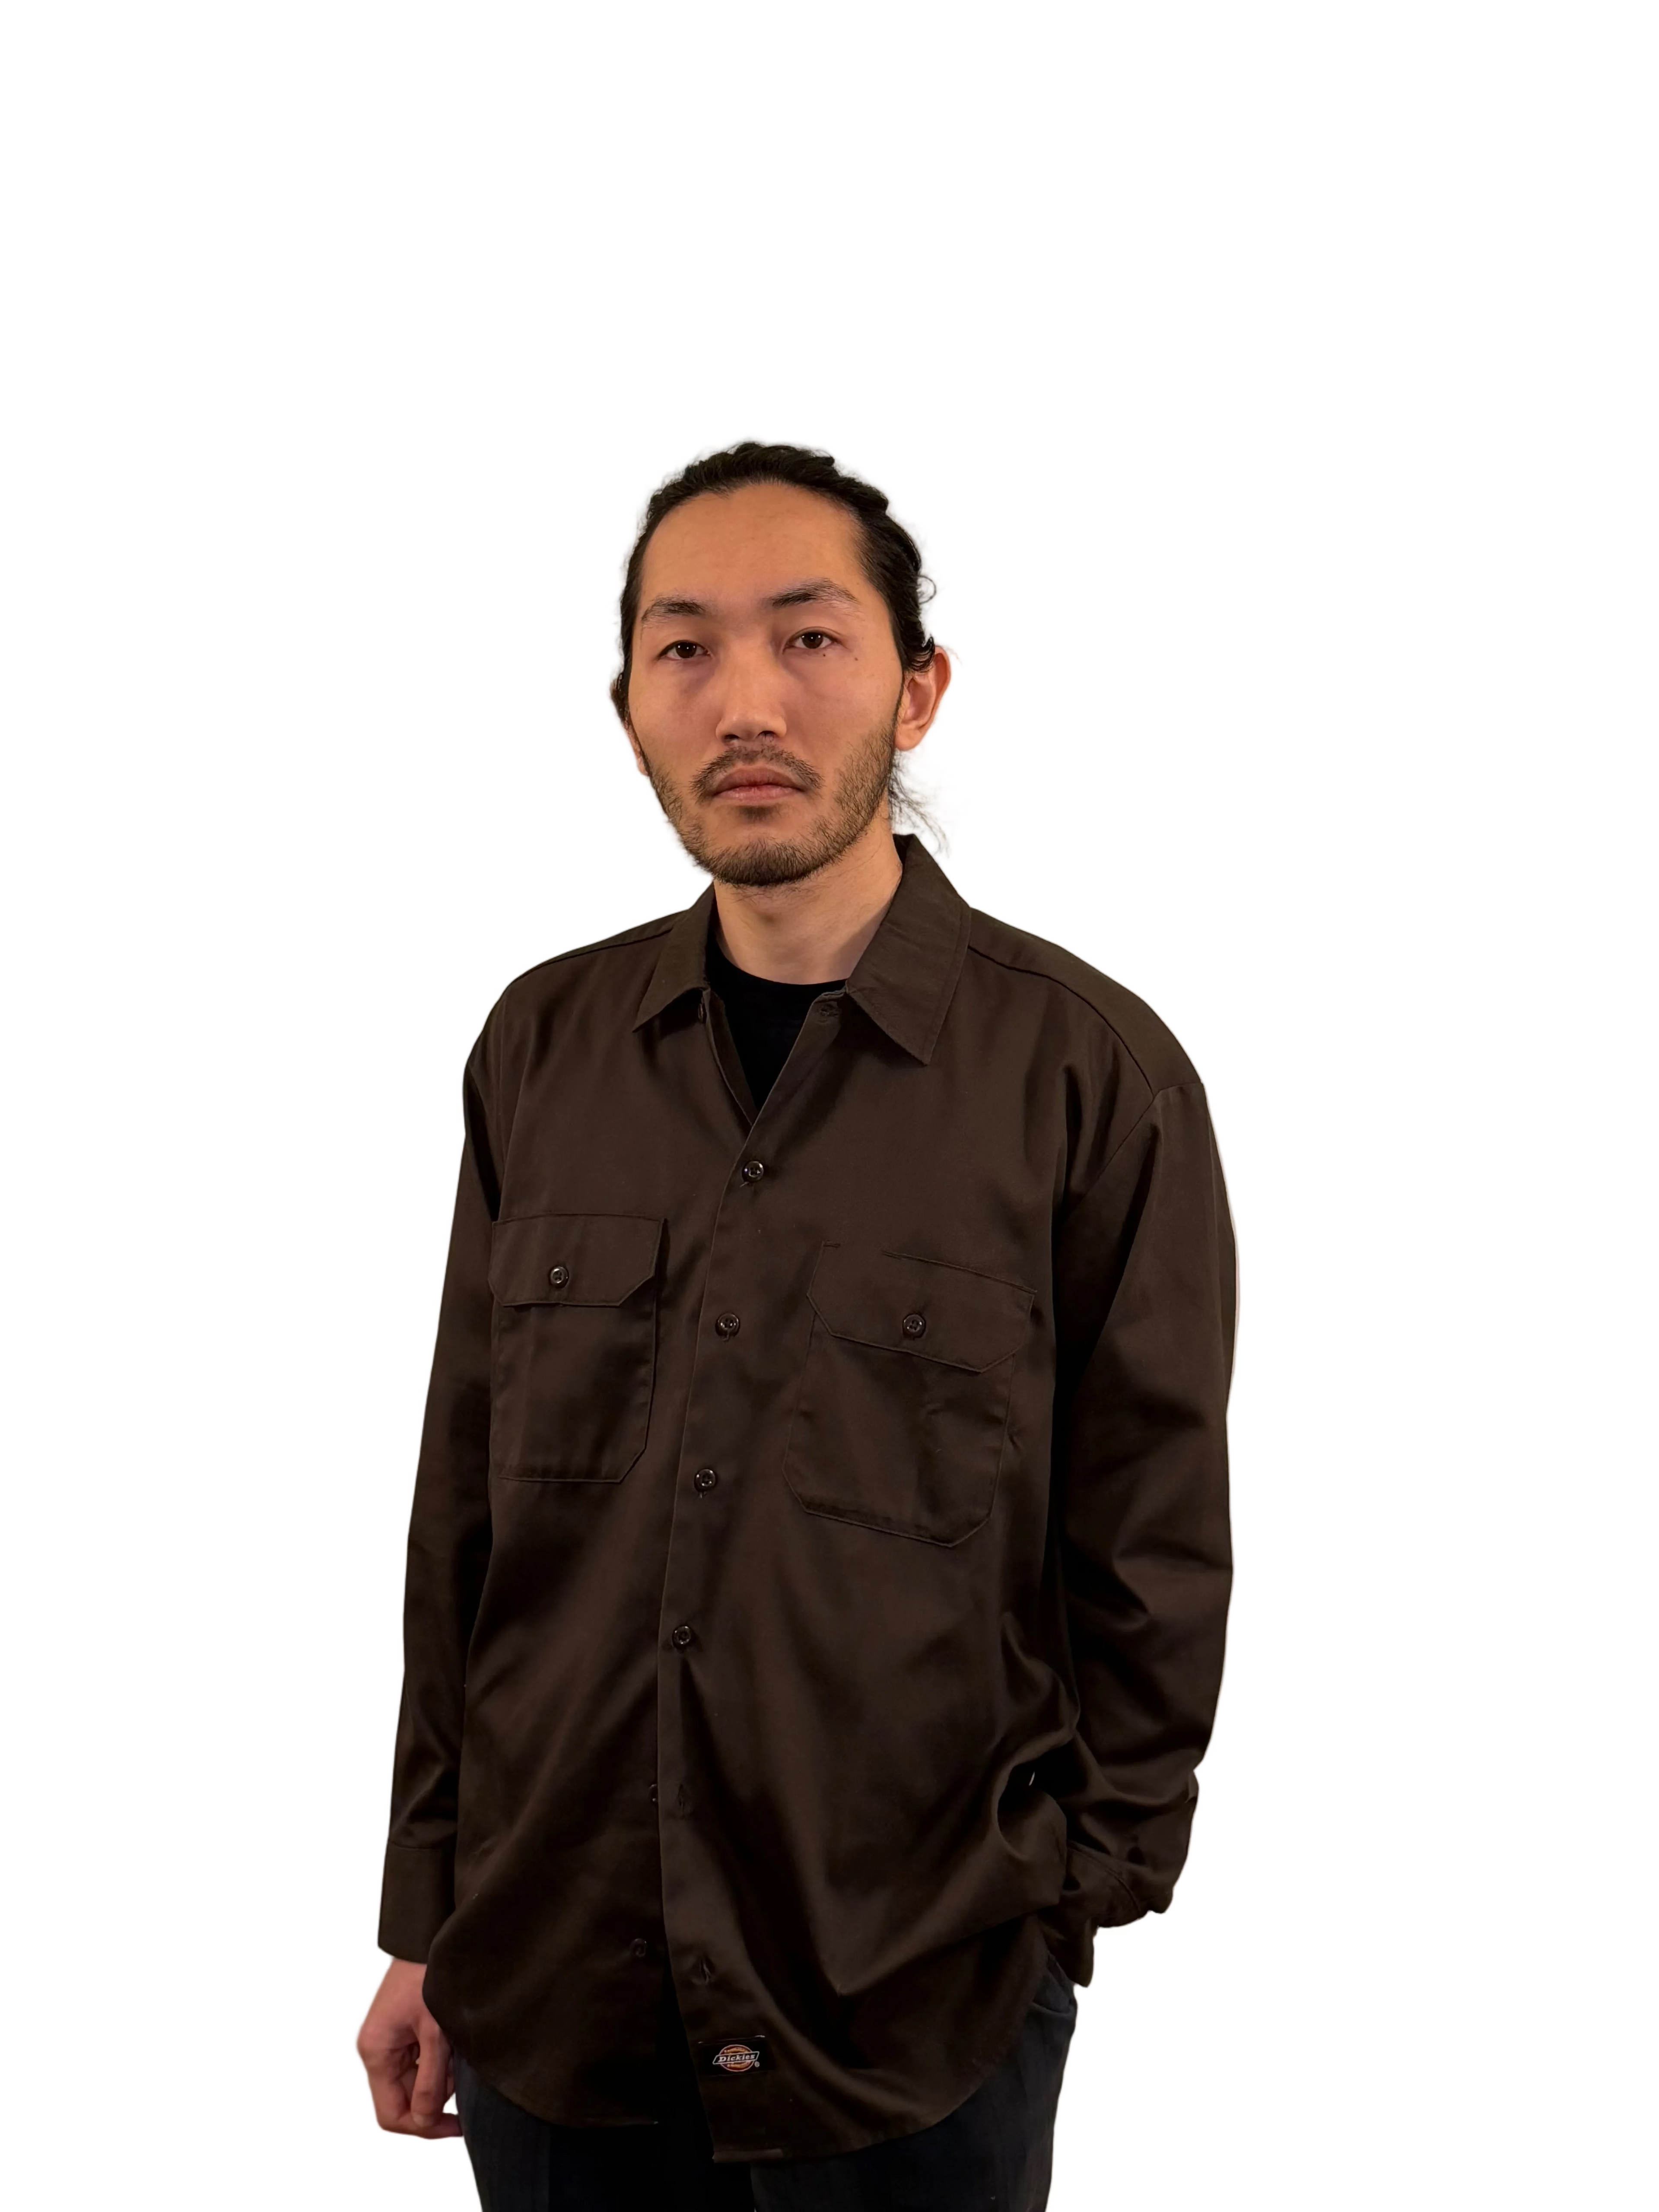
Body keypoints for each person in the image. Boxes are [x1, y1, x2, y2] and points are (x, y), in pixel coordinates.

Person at [355, 442, 1237, 2211]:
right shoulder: (545, 1046)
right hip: (552, 2007)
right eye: (683, 648)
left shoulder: (1088, 1078)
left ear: (918, 686)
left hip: (908, 2020)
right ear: (627, 709)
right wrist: (427, 1913)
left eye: (811, 637)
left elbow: (1149, 1544)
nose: (745, 698)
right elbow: (471, 1519)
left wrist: (1062, 1900)